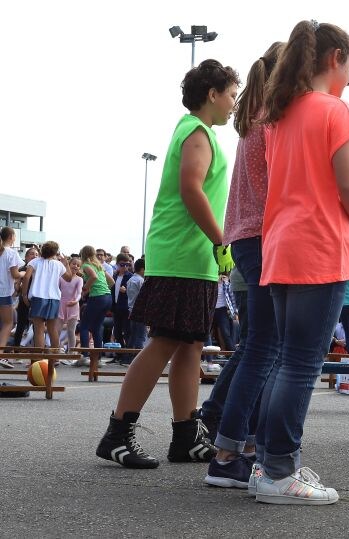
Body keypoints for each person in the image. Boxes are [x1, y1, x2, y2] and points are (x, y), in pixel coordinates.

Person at [95, 59, 240, 469]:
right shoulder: (196, 131)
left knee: (190, 345)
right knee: (164, 343)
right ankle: (118, 432)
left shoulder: (196, 130)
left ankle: (185, 435)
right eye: (230, 95)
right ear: (211, 95)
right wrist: (220, 239)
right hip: (183, 254)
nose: (233, 104)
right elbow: (191, 187)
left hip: (190, 258)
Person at [252, 20, 349, 504]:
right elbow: (347, 183)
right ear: (334, 57)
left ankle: (269, 465)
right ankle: (280, 473)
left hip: (280, 245)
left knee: (285, 362)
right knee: (301, 365)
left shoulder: (278, 112)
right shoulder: (333, 110)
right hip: (320, 244)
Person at [200, 42, 283, 491]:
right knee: (265, 348)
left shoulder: (253, 118)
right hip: (264, 235)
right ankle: (230, 452)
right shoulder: (273, 121)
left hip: (247, 237)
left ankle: (236, 445)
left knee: (259, 345)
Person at [20, 241, 74, 352]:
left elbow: (26, 277)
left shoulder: (35, 262)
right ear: (55, 252)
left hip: (38, 297)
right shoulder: (58, 264)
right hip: (54, 298)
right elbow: (69, 278)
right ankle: (55, 358)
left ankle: (39, 358)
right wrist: (66, 264)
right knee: (52, 329)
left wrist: (24, 295)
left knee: (38, 329)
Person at [78, 245, 113, 362]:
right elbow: (111, 282)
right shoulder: (99, 266)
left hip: (98, 298)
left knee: (84, 326)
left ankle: (85, 356)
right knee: (96, 327)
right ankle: (98, 357)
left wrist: (85, 288)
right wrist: (100, 289)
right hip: (108, 297)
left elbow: (93, 276)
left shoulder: (86, 265)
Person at [0, 227, 25, 368]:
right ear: (11, 236)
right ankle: (1, 354)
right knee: (8, 323)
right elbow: (15, 274)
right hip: (3, 292)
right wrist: (24, 273)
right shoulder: (11, 253)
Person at [57, 255, 83, 357]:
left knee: (71, 330)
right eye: (73, 264)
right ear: (69, 264)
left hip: (73, 305)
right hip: (61, 304)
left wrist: (76, 301)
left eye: (78, 265)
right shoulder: (61, 278)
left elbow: (79, 292)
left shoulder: (79, 279)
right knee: (57, 330)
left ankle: (71, 352)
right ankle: (57, 349)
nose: (75, 266)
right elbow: (57, 290)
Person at [111, 253, 134, 348]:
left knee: (127, 331)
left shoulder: (130, 276)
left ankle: (127, 355)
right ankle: (119, 354)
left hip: (126, 308)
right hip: (116, 307)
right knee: (117, 332)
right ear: (117, 264)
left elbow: (136, 293)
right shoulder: (115, 276)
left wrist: (127, 290)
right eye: (122, 265)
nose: (125, 267)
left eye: (127, 265)